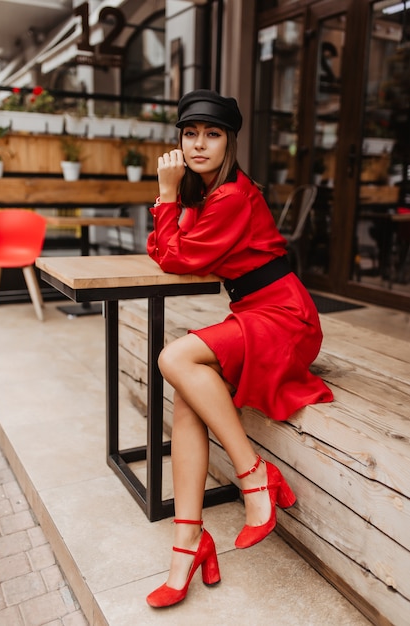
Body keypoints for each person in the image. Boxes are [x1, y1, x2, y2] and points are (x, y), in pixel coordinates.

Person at [145, 89, 333, 608]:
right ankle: (188, 544)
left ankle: (255, 476)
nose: (199, 144)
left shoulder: (230, 195)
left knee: (175, 358)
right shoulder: (205, 193)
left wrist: (164, 194)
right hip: (254, 313)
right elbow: (172, 250)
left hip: (285, 318)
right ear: (179, 140)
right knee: (186, 390)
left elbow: (173, 258)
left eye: (212, 134)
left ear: (230, 142)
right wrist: (175, 198)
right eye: (190, 134)